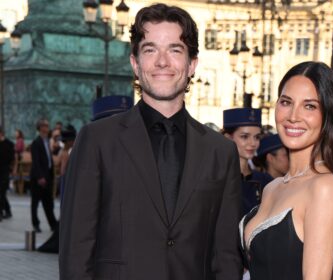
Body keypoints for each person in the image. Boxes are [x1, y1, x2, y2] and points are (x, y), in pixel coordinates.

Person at [59, 3, 243, 280]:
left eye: (175, 50)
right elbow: (76, 250)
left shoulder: (221, 151)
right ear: (135, 63)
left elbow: (226, 256)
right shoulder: (97, 140)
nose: (162, 61)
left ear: (192, 64)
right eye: (150, 50)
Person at [240, 61, 333, 279]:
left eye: (309, 106)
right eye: (286, 102)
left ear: (328, 116)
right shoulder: (272, 187)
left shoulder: (324, 187)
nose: (293, 116)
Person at [222, 108, 273, 216]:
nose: (253, 143)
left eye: (257, 137)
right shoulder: (217, 179)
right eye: (244, 137)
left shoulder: (265, 181)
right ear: (228, 138)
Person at [30, 119, 58, 233]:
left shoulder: (47, 141)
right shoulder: (36, 142)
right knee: (35, 202)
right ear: (40, 127)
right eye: (45, 125)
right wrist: (40, 177)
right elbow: (36, 161)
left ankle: (53, 224)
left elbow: (48, 159)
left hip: (48, 176)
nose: (47, 127)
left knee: (49, 202)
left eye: (47, 125)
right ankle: (35, 224)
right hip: (38, 178)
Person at [0, 126, 15, 221]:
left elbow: (13, 158)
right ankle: (8, 211)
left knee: (2, 192)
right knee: (1, 193)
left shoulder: (9, 144)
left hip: (5, 171)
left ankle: (1, 213)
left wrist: (14, 169)